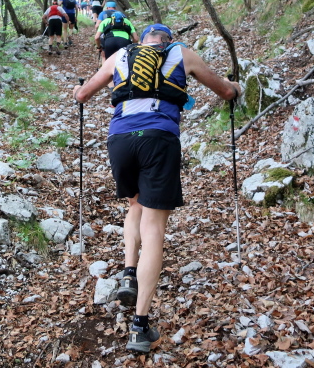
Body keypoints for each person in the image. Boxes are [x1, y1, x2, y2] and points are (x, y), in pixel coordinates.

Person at [71, 24, 241, 354]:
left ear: (142, 41)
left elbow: (82, 95)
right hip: (159, 139)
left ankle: (128, 273)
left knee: (135, 204)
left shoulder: (121, 55)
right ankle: (139, 327)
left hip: (120, 141)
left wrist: (81, 87)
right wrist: (234, 87)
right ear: (168, 40)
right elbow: (224, 91)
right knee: (154, 228)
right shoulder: (181, 53)